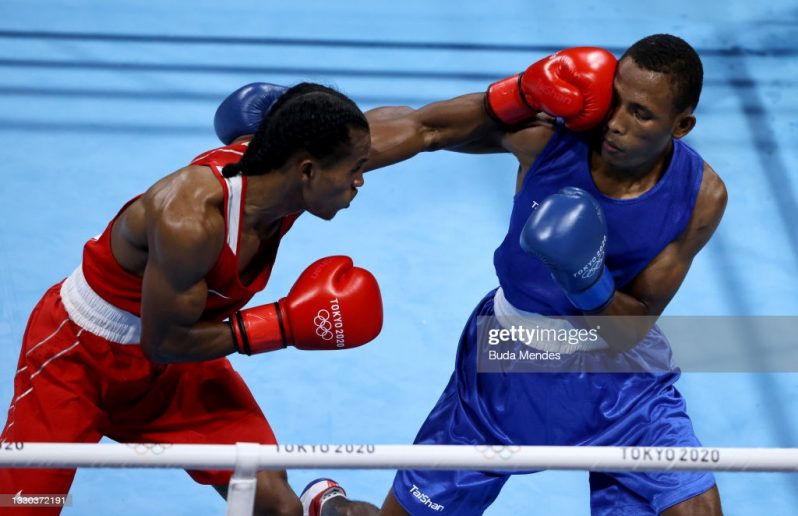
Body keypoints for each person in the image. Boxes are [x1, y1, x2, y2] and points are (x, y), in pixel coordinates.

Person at [219, 34, 727, 515]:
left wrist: (587, 279)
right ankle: (327, 504)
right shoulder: (551, 137)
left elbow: (635, 323)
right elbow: (426, 128)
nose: (615, 122)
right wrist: (283, 152)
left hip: (621, 384)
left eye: (641, 114)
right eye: (615, 101)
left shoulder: (701, 196)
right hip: (505, 365)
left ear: (681, 126)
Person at [0, 82, 385, 515]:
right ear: (308, 170)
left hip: (173, 370)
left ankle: (314, 503)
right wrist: (281, 324)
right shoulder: (191, 218)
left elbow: (424, 129)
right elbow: (162, 341)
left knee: (276, 505)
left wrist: (481, 106)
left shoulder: (299, 170)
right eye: (355, 168)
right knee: (23, 507)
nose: (361, 180)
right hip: (79, 357)